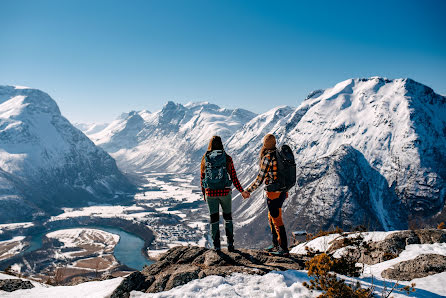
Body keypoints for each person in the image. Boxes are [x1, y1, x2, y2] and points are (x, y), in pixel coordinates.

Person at [242, 134, 289, 255]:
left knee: (276, 219)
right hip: (282, 191)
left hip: (273, 193)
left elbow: (260, 178)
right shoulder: (280, 154)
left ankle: (283, 248)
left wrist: (248, 190)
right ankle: (276, 244)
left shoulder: (268, 157)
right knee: (272, 217)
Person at [201, 136, 245, 252]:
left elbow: (202, 178)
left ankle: (216, 246)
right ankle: (230, 244)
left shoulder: (205, 158)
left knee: (214, 219)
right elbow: (234, 177)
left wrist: (204, 194)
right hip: (225, 192)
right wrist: (241, 190)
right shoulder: (227, 158)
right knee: (228, 218)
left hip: (210, 193)